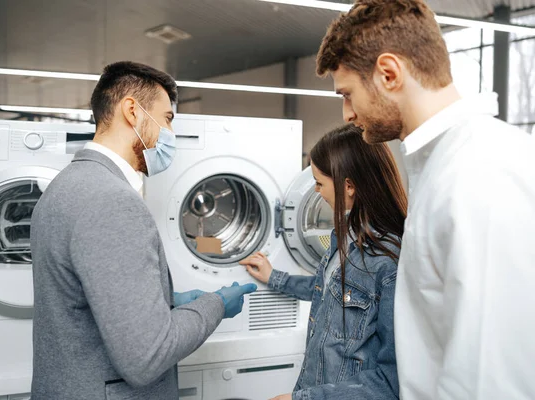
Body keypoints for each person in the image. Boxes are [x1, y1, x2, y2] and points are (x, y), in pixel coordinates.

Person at [316, 1, 535, 398]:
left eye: (347, 94)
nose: (347, 114)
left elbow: (493, 381)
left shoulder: (477, 174)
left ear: (388, 73)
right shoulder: (445, 166)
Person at [30, 61, 257, 400]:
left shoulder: (64, 186)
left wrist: (169, 302)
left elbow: (86, 298)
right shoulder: (112, 201)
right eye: (167, 119)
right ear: (133, 111)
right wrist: (215, 305)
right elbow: (147, 357)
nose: (170, 134)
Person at [240, 124, 407, 400]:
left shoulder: (388, 263)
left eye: (319, 183)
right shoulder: (344, 235)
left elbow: (391, 380)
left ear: (349, 186)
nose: (316, 191)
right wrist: (274, 277)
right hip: (312, 386)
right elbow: (328, 290)